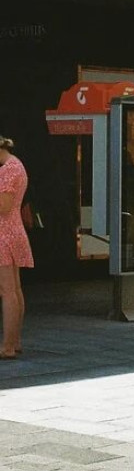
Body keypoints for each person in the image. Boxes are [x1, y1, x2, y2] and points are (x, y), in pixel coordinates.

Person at [0, 136, 34, 358]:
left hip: (4, 233)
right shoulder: (16, 165)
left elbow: (3, 206)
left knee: (7, 291)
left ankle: (8, 346)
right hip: (13, 230)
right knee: (15, 289)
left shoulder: (8, 170)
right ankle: (15, 341)